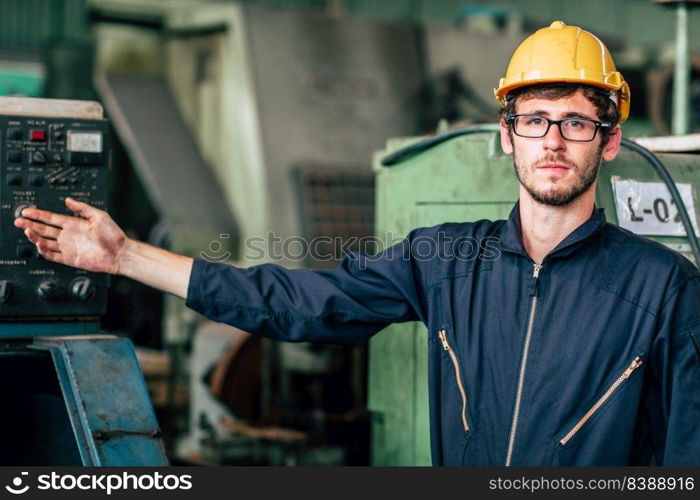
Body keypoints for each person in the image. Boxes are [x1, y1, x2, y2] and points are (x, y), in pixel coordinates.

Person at [14, 21, 700, 466]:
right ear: (505, 134)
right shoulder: (447, 262)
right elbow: (294, 301)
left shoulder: (662, 288)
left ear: (610, 141)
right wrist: (125, 256)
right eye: (536, 118)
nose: (553, 139)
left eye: (578, 122)